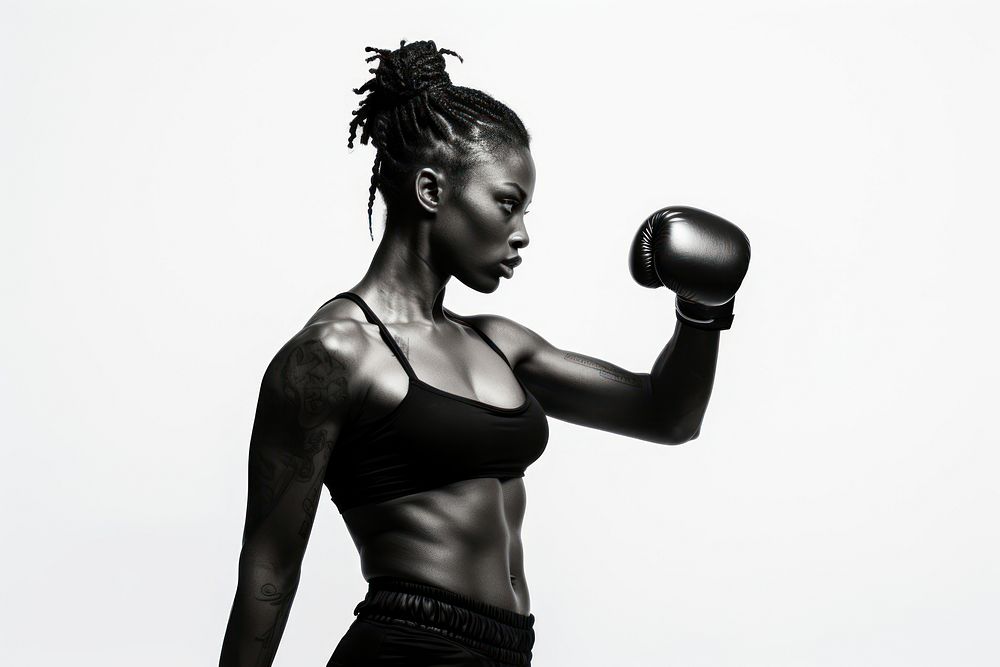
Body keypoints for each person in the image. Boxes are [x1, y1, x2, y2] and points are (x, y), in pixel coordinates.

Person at [219, 39, 750, 667]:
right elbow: (269, 567)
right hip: (406, 650)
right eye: (507, 202)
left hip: (508, 652)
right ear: (430, 189)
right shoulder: (332, 355)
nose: (522, 233)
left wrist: (704, 312)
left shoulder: (499, 344)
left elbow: (667, 416)